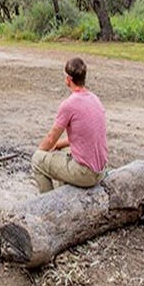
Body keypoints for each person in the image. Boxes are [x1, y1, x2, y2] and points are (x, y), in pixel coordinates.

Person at [31, 57, 107, 193]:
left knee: (37, 161)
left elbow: (50, 139)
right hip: (100, 171)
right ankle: (64, 196)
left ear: (68, 79)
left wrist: (40, 152)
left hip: (86, 174)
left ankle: (49, 204)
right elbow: (86, 136)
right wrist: (59, 145)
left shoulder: (69, 104)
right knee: (61, 154)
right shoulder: (95, 99)